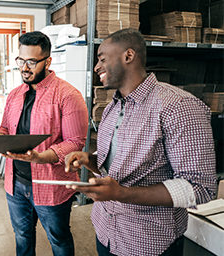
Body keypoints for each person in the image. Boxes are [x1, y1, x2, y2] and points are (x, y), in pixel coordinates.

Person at [65, 28, 217, 256]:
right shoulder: (111, 108)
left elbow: (200, 188)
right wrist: (89, 160)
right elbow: (116, 170)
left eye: (102, 58)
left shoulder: (177, 106)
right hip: (105, 231)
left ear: (128, 56)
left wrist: (121, 194)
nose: (96, 67)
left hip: (147, 242)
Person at [0, 31, 88, 256]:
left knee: (59, 240)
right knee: (22, 238)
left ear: (47, 61)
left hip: (50, 184)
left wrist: (40, 157)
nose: (24, 68)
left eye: (31, 62)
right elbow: (5, 128)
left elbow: (75, 142)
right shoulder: (14, 95)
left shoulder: (68, 95)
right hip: (15, 184)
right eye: (21, 60)